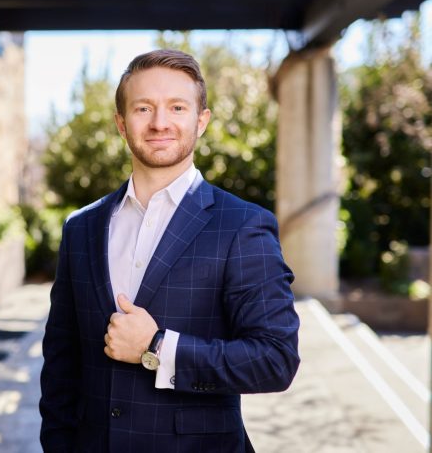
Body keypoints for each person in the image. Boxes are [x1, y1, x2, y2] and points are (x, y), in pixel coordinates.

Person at [39, 49, 300, 453]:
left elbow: (275, 360)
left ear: (202, 121)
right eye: (144, 108)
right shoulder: (81, 228)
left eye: (177, 107)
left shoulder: (242, 225)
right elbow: (61, 361)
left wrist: (158, 347)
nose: (160, 122)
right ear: (122, 125)